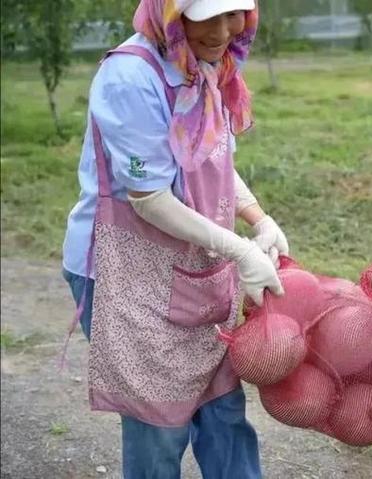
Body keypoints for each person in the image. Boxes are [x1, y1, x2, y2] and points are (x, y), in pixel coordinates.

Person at [61, 0, 286, 477]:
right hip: (127, 270)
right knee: (159, 427)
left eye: (235, 13)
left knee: (224, 412)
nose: (224, 30)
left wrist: (259, 220)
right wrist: (240, 249)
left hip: (194, 264)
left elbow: (213, 157)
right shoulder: (131, 77)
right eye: (207, 13)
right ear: (171, 12)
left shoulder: (202, 68)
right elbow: (150, 198)